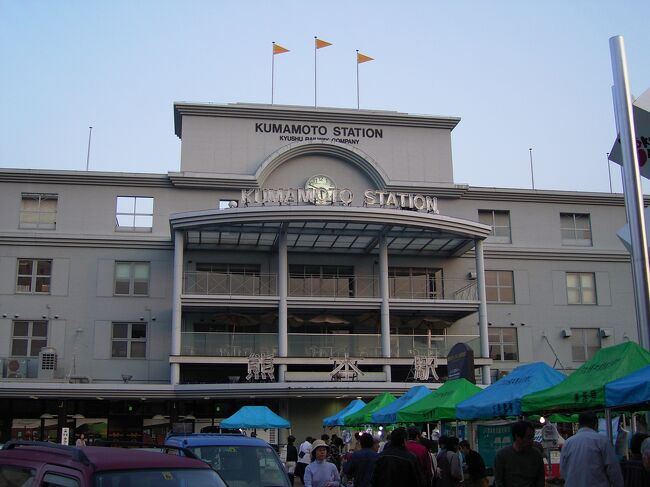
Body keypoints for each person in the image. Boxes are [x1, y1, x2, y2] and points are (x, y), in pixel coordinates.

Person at [560, 412, 623, 487]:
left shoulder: (568, 443)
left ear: (579, 425)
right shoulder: (602, 441)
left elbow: (563, 471)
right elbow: (613, 470)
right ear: (596, 425)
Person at [494, 420, 544, 487]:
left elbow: (540, 481)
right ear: (517, 437)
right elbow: (499, 482)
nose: (531, 441)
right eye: (529, 437)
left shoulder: (537, 455)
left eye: (532, 437)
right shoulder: (502, 456)